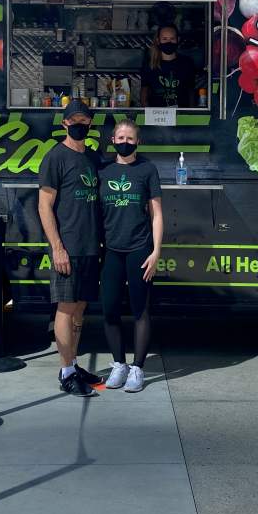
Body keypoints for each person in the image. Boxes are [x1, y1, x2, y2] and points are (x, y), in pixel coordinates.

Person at [38, 100, 103, 397]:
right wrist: (57, 248)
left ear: (90, 124)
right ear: (64, 123)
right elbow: (44, 206)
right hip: (68, 246)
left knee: (79, 307)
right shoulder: (55, 157)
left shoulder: (92, 157)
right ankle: (65, 372)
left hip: (90, 246)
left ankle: (74, 364)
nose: (79, 125)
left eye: (84, 120)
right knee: (65, 308)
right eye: (73, 120)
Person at [97, 119, 163, 393]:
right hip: (111, 250)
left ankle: (137, 368)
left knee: (140, 310)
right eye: (120, 138)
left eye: (130, 138)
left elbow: (156, 214)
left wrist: (156, 252)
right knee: (109, 310)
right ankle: (119, 365)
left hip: (140, 249)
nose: (125, 142)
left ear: (138, 142)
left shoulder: (147, 169)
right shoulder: (103, 170)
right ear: (113, 140)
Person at [141, 24, 196, 107]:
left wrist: (190, 112)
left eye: (172, 39)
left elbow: (191, 92)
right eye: (165, 39)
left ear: (178, 40)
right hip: (156, 114)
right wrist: (149, 113)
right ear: (158, 41)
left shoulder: (187, 63)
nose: (168, 42)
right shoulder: (149, 64)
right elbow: (144, 94)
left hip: (181, 113)